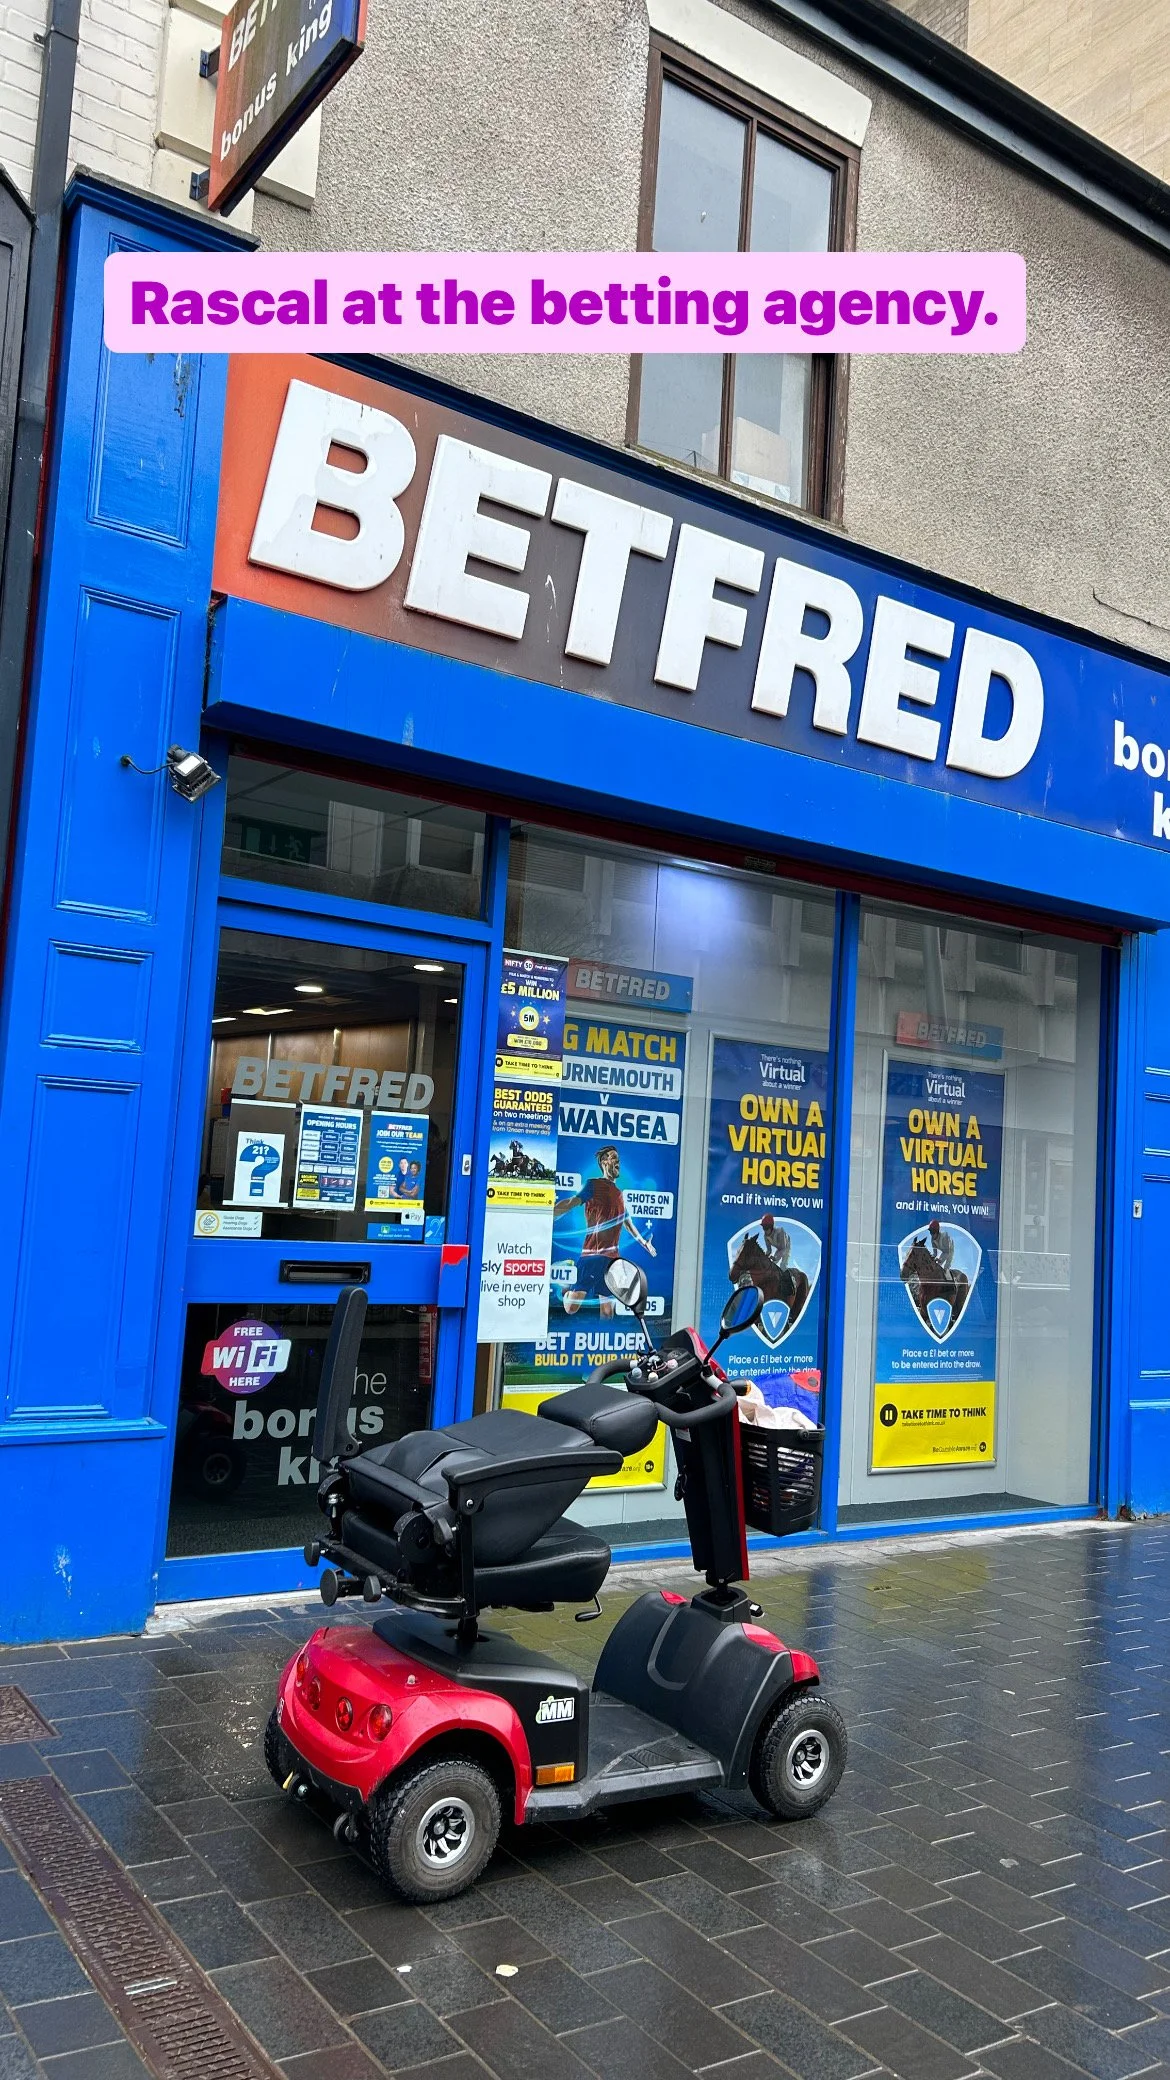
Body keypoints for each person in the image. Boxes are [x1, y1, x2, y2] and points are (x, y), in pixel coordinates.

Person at [555, 1145, 655, 1317]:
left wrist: (644, 1242)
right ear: (604, 1162)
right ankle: (565, 1289)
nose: (618, 1161)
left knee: (608, 1312)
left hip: (612, 1261)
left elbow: (628, 1223)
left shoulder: (619, 1194)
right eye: (613, 1157)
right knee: (571, 1308)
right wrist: (551, 1213)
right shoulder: (593, 1185)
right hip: (592, 1255)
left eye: (618, 1158)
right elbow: (572, 1202)